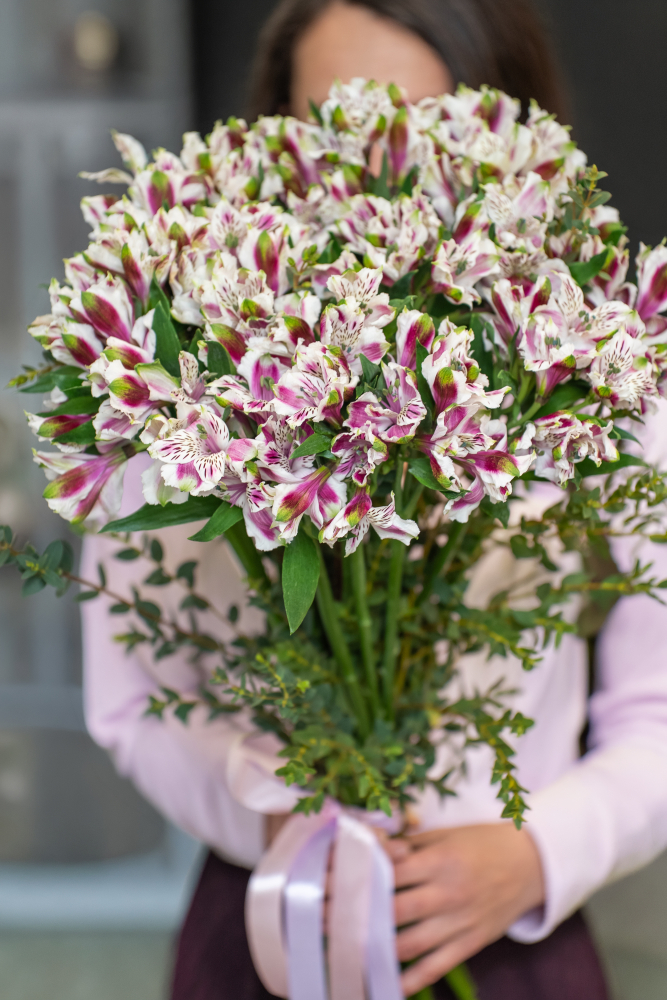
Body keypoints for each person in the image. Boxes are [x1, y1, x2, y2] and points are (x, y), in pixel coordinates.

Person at [80, 2, 667, 998]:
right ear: (265, 144)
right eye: (329, 136)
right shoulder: (176, 382)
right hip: (269, 913)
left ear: (513, 145)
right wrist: (265, 814)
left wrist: (537, 856)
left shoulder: (603, 381)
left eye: (423, 136)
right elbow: (130, 702)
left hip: (514, 932)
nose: (371, 189)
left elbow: (655, 711)